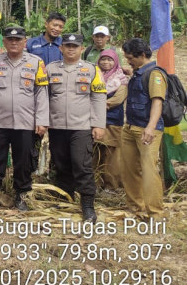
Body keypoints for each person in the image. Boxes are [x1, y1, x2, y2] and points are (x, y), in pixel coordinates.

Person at [0, 26, 49, 214]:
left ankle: (21, 196)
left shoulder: (36, 63)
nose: (14, 43)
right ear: (5, 42)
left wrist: (41, 119)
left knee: (24, 161)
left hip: (26, 122)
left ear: (25, 42)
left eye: (18, 40)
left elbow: (41, 93)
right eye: (10, 39)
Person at [46, 34, 107, 222]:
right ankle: (66, 197)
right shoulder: (50, 69)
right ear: (61, 48)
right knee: (61, 163)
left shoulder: (92, 70)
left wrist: (98, 124)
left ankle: (88, 204)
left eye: (75, 46)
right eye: (67, 46)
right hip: (56, 126)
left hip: (81, 126)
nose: (71, 49)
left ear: (81, 49)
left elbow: (98, 97)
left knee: (82, 165)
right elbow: (43, 98)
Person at [121, 38, 166, 217]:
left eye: (130, 57)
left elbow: (157, 102)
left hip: (147, 130)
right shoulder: (139, 72)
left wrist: (150, 127)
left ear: (141, 55)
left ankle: (155, 213)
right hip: (130, 127)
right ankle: (135, 207)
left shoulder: (155, 74)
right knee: (129, 169)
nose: (128, 60)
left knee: (148, 171)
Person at [25, 12, 65, 173]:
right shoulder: (32, 43)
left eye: (60, 27)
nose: (56, 29)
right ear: (46, 24)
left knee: (58, 134)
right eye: (54, 25)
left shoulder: (64, 45)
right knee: (34, 132)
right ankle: (32, 168)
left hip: (57, 95)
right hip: (34, 94)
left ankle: (54, 170)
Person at [95, 49, 128, 190]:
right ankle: (95, 184)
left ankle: (111, 186)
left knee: (112, 155)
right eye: (103, 59)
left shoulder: (121, 79)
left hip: (113, 121)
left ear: (115, 62)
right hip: (95, 121)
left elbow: (118, 99)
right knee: (95, 153)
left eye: (110, 60)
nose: (106, 62)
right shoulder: (94, 75)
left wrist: (97, 105)